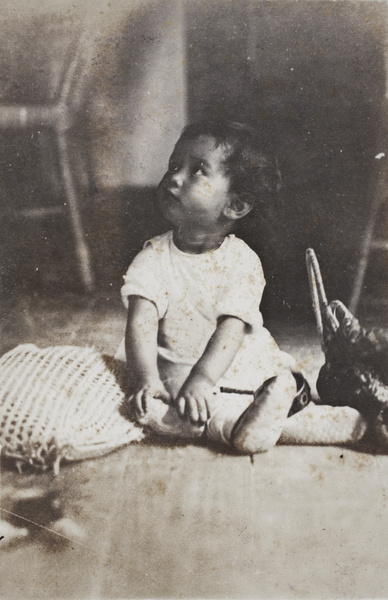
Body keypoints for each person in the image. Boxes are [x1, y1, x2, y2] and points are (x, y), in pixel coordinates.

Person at [115, 120, 367, 453]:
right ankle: (252, 429)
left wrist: (203, 380)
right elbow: (140, 325)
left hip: (241, 367)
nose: (175, 177)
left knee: (288, 380)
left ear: (235, 205)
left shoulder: (242, 262)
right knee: (183, 415)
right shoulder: (152, 259)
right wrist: (148, 379)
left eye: (197, 171)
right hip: (182, 377)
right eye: (174, 166)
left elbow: (231, 329)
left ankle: (313, 402)